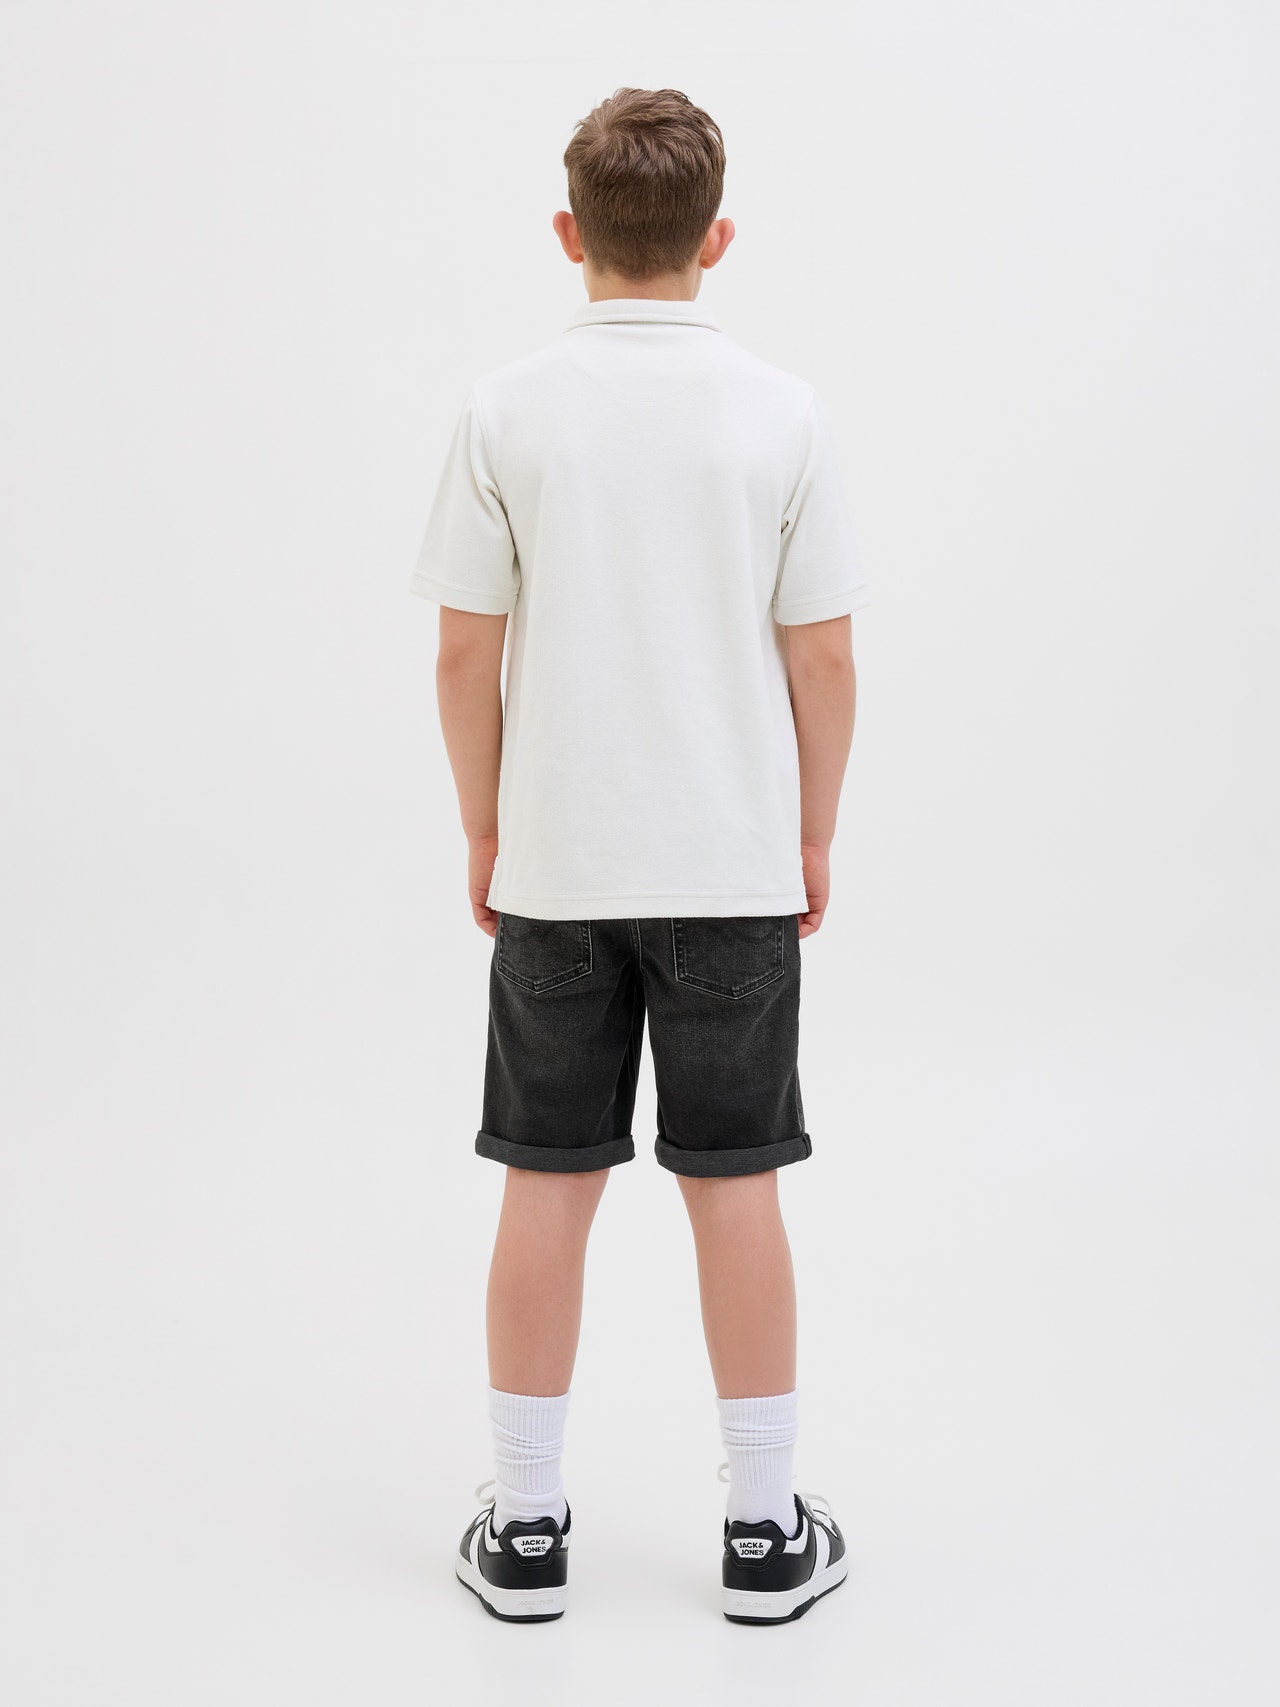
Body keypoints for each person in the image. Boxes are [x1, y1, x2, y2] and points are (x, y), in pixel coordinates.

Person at [410, 86, 869, 1625]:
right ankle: (764, 1533)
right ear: (716, 240)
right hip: (732, 869)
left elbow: (463, 654)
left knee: (548, 1182)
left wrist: (485, 823)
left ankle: (529, 1530)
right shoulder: (782, 413)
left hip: (556, 873)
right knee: (735, 1188)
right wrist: (812, 829)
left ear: (570, 235)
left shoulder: (507, 410)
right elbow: (825, 659)